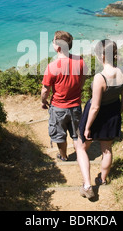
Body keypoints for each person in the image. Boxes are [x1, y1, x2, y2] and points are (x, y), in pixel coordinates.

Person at [75, 39, 123, 199]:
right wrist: (116, 114)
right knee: (106, 149)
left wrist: (87, 127)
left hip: (95, 116)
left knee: (81, 147)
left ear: (100, 56)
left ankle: (87, 185)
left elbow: (95, 107)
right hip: (113, 113)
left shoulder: (100, 77)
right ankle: (102, 179)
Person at [41, 31, 88, 162]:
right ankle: (81, 156)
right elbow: (82, 80)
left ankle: (64, 156)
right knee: (76, 134)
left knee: (59, 135)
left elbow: (45, 90)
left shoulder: (51, 67)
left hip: (58, 107)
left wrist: (43, 102)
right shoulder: (80, 61)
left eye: (53, 41)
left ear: (58, 47)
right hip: (75, 105)